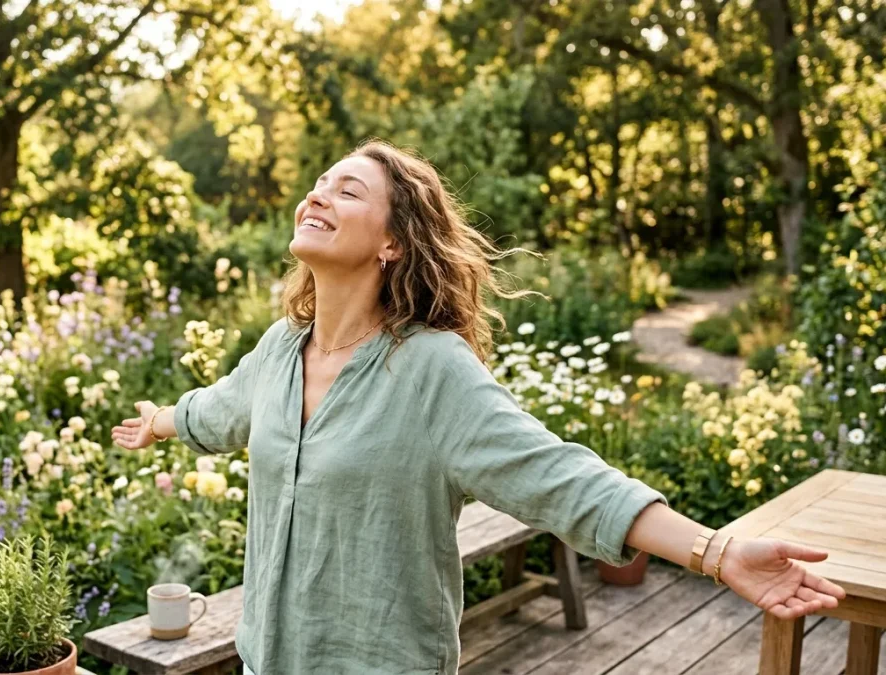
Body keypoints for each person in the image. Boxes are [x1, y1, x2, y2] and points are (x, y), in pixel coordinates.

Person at [112, 139, 845, 675]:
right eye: (317, 183)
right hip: (265, 662)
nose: (317, 195)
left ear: (394, 241)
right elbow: (220, 410)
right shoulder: (278, 350)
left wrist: (717, 553)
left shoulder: (431, 368)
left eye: (346, 190)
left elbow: (562, 478)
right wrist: (160, 420)